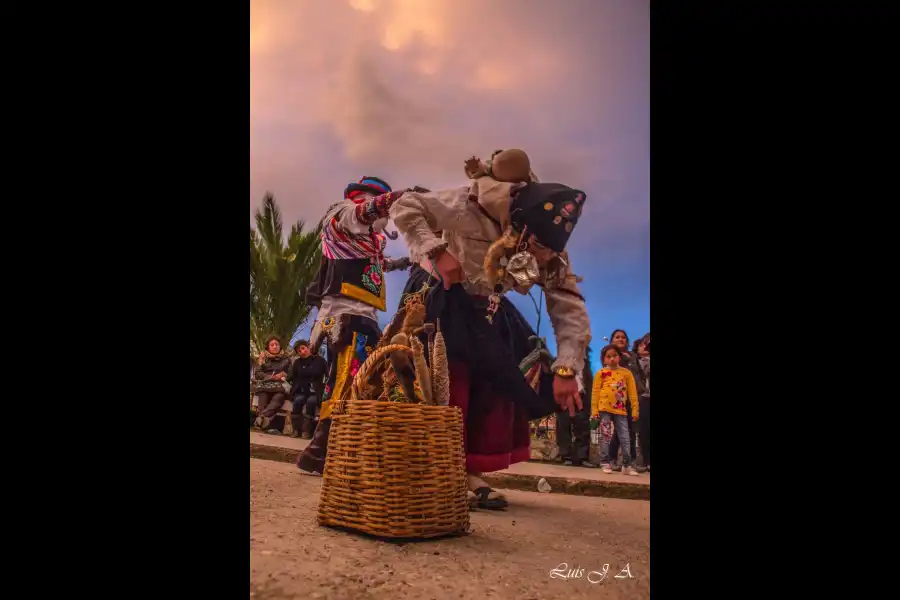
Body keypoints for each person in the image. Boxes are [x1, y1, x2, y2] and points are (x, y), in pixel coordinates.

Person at [391, 169, 591, 510]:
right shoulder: (467, 205)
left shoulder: (551, 253)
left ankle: (467, 472)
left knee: (500, 381)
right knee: (447, 384)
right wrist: (437, 251)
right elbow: (405, 206)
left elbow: (569, 310)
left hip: (488, 308)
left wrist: (568, 369)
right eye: (538, 247)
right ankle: (430, 471)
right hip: (442, 297)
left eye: (549, 252)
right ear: (522, 226)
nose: (543, 258)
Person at [295, 176, 418, 474]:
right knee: (344, 381)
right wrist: (399, 197)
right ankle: (322, 452)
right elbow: (361, 214)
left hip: (364, 316)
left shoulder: (366, 241)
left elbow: (379, 264)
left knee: (358, 382)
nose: (386, 218)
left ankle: (329, 451)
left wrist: (405, 262)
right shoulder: (343, 214)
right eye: (385, 209)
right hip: (344, 314)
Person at [592, 344, 641, 475]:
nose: (612, 359)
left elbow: (632, 393)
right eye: (608, 357)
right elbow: (595, 392)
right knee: (606, 436)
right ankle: (605, 462)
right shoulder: (600, 374)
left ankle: (627, 464)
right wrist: (594, 410)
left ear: (620, 357)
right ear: (604, 359)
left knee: (625, 437)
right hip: (604, 409)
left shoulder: (627, 373)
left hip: (620, 410)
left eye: (614, 356)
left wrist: (635, 410)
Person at [607, 329, 648, 471]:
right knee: (620, 429)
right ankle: (611, 459)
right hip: (618, 397)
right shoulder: (610, 355)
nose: (620, 339)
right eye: (617, 337)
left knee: (631, 429)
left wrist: (642, 389)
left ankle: (629, 462)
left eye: (623, 337)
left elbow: (639, 374)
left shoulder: (632, 356)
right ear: (612, 340)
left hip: (634, 396)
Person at [556, 346, 595, 467]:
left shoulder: (585, 365)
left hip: (582, 398)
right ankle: (566, 455)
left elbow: (589, 382)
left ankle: (582, 457)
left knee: (583, 428)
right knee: (564, 426)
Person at [287, 339, 328, 439]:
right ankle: (296, 430)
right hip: (301, 390)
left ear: (308, 347)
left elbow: (328, 375)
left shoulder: (320, 360)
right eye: (299, 351)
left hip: (315, 391)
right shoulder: (297, 362)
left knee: (311, 402)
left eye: (303, 348)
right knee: (297, 401)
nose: (302, 352)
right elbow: (291, 377)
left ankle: (306, 431)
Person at [252, 336, 291, 433]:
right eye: (272, 345)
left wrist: (283, 374)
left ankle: (261, 419)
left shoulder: (286, 359)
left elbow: (291, 373)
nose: (274, 346)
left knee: (278, 399)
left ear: (280, 346)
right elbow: (258, 373)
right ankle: (263, 424)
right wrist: (269, 377)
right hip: (265, 385)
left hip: (280, 385)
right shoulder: (263, 358)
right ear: (268, 347)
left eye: (276, 344)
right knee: (263, 398)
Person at [636, 333, 650, 471]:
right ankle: (646, 460)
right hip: (644, 398)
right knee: (644, 430)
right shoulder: (636, 363)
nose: (645, 346)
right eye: (643, 344)